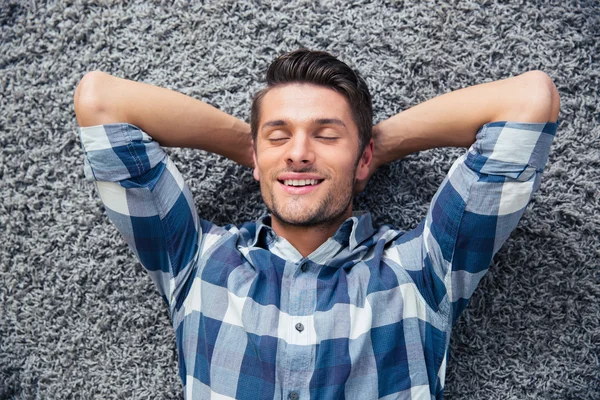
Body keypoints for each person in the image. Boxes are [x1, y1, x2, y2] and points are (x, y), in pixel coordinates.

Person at [74, 49, 559, 400]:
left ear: (363, 157)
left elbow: (529, 102)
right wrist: (258, 152)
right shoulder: (195, 261)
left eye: (327, 135)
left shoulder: (423, 269)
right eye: (279, 136)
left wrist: (374, 147)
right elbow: (101, 102)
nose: (300, 152)